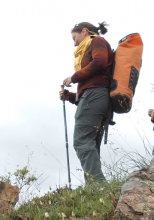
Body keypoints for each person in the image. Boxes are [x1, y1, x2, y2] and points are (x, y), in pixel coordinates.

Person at [59, 21, 114, 185]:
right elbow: (90, 89)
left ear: (84, 31)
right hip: (97, 97)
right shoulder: (92, 45)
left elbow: (99, 63)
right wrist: (69, 96)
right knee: (90, 144)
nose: (74, 43)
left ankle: (99, 187)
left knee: (82, 141)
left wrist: (73, 78)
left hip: (95, 96)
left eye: (74, 38)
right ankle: (94, 189)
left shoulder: (96, 41)